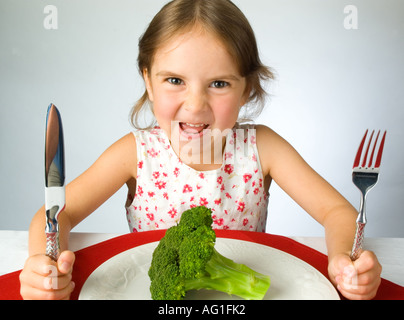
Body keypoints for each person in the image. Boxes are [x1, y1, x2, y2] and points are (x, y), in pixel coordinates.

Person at [19, 0, 381, 300]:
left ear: (247, 89)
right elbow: (53, 215)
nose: (195, 104)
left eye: (219, 83)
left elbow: (337, 211)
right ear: (148, 79)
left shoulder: (262, 148)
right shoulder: (135, 153)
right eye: (174, 80)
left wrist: (344, 261)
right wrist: (41, 264)